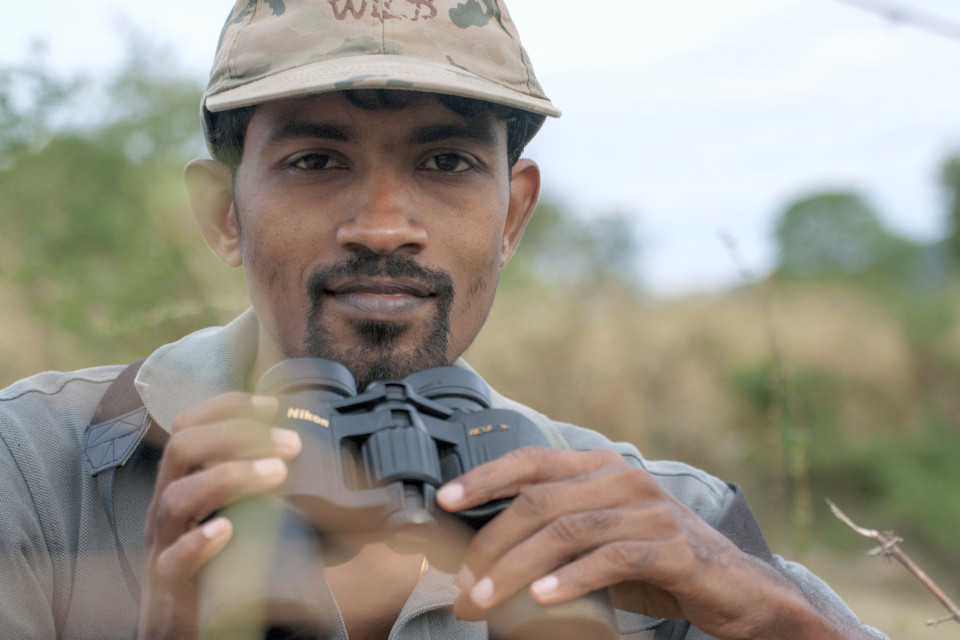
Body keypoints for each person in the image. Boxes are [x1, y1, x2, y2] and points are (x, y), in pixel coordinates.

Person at [0, 1, 889, 639]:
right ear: (225, 212)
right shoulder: (34, 472)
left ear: (512, 216)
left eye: (447, 160)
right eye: (316, 159)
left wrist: (766, 612)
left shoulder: (661, 520)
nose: (383, 225)